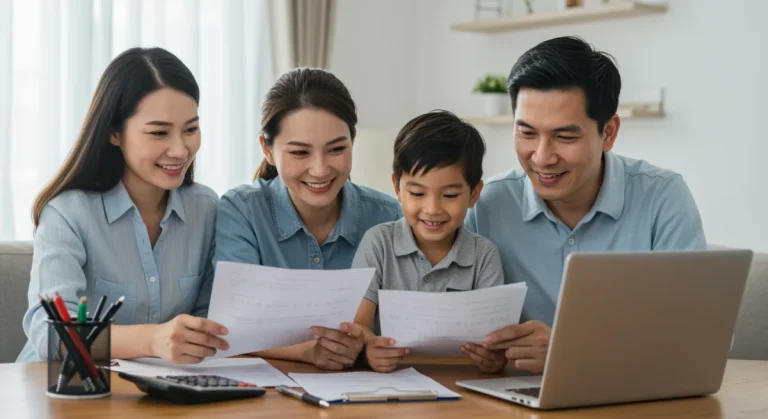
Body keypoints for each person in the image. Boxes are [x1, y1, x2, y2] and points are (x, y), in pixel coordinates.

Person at [465, 36, 707, 374]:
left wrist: (571, 352)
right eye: (527, 133)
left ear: (608, 132)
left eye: (565, 137)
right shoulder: (486, 204)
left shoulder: (662, 197)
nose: (542, 157)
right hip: (513, 400)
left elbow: (694, 337)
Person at [17, 47, 229, 364]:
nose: (179, 149)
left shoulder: (207, 208)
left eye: (190, 129)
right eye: (159, 132)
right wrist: (152, 340)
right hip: (61, 390)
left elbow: (210, 324)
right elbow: (52, 337)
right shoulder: (68, 213)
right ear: (114, 133)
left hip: (157, 393)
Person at [214, 67, 403, 370]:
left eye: (336, 149)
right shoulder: (242, 211)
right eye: (300, 153)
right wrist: (307, 352)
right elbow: (229, 325)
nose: (319, 169)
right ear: (267, 149)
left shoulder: (389, 215)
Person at [352, 110, 505, 373]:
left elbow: (494, 338)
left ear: (474, 194)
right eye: (417, 193)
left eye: (450, 195)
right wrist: (369, 349)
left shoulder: (484, 255)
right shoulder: (378, 243)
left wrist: (494, 358)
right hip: (391, 385)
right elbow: (359, 327)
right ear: (397, 189)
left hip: (461, 386)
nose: (432, 209)